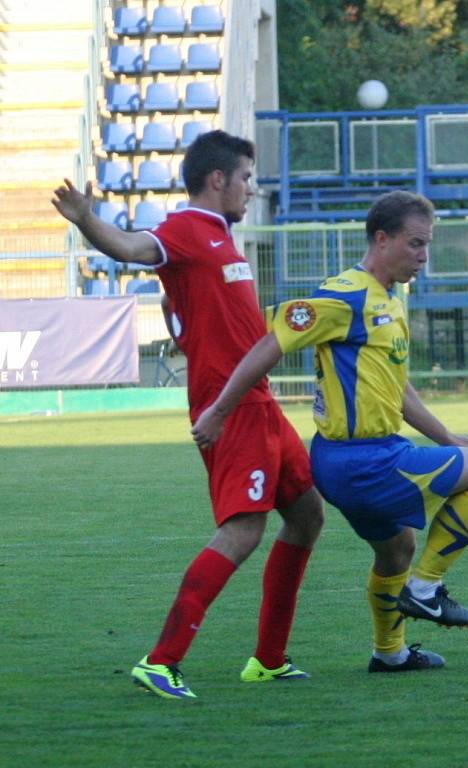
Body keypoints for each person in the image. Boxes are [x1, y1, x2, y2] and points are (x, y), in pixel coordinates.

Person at [51, 130, 324, 699]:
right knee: (243, 529)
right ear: (217, 179)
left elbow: (186, 312)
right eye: (246, 177)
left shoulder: (220, 240)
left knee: (306, 515)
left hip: (261, 402)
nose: (253, 188)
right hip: (231, 408)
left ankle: (268, 659)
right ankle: (161, 660)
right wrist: (86, 219)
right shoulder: (185, 231)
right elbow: (130, 249)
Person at [192, 191, 468, 673]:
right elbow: (270, 345)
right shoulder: (344, 295)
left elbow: (400, 391)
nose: (423, 255)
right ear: (382, 239)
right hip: (358, 461)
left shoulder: (391, 300)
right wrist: (218, 410)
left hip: (373, 454)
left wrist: (448, 438)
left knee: (396, 547)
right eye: (415, 243)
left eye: (428, 245)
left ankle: (390, 652)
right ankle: (425, 590)